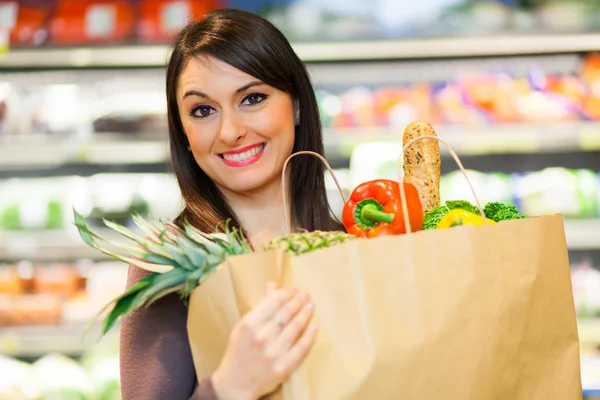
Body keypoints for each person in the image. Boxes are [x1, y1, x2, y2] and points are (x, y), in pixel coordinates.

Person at [120, 8, 345, 400]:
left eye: (252, 98)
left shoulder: (352, 244)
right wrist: (231, 385)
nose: (230, 132)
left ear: (295, 106)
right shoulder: (169, 265)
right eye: (202, 110)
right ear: (184, 132)